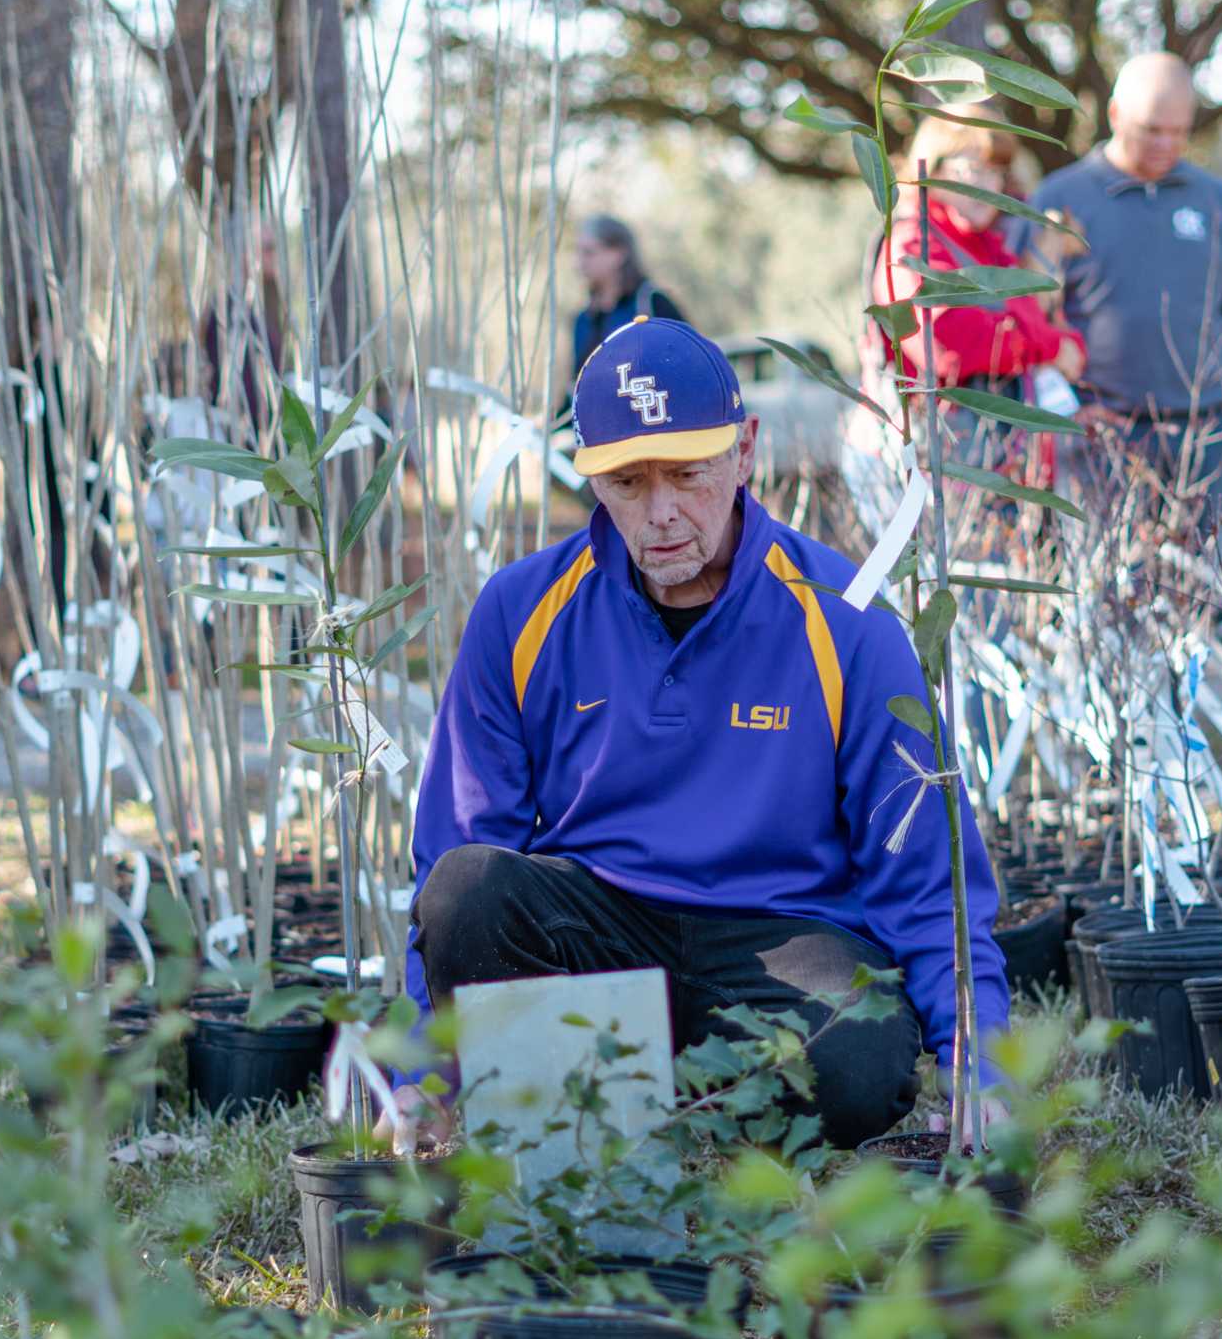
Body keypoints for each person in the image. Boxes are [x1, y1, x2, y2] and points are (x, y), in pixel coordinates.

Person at [384, 317, 1012, 1151]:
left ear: (745, 450)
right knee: (469, 888)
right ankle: (591, 1125)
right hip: (597, 930)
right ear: (591, 477)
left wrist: (980, 1066)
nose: (663, 512)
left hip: (780, 938)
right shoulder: (519, 610)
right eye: (629, 482)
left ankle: (660, 1101)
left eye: (688, 472)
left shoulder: (848, 621)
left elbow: (929, 878)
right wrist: (422, 1079)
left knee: (862, 1059)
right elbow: (458, 846)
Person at [1016, 53, 1222, 531]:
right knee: (1105, 598)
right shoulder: (1060, 200)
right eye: (1152, 129)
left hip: (1204, 443)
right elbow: (1022, 318)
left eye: (1179, 132)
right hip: (1098, 443)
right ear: (1114, 115)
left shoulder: (1218, 203)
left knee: (1207, 597)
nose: (1165, 144)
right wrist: (1067, 410)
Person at [868, 107, 1084, 472]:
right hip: (938, 468)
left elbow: (1034, 317)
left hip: (993, 461)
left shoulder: (987, 247)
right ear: (931, 169)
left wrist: (1058, 343)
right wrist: (1050, 348)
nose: (986, 187)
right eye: (971, 171)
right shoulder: (912, 245)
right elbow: (949, 345)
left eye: (995, 173)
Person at [568, 216, 688, 388]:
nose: (579, 263)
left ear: (619, 254)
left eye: (589, 253)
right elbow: (577, 388)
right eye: (578, 252)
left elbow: (691, 364)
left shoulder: (653, 303)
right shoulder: (583, 319)